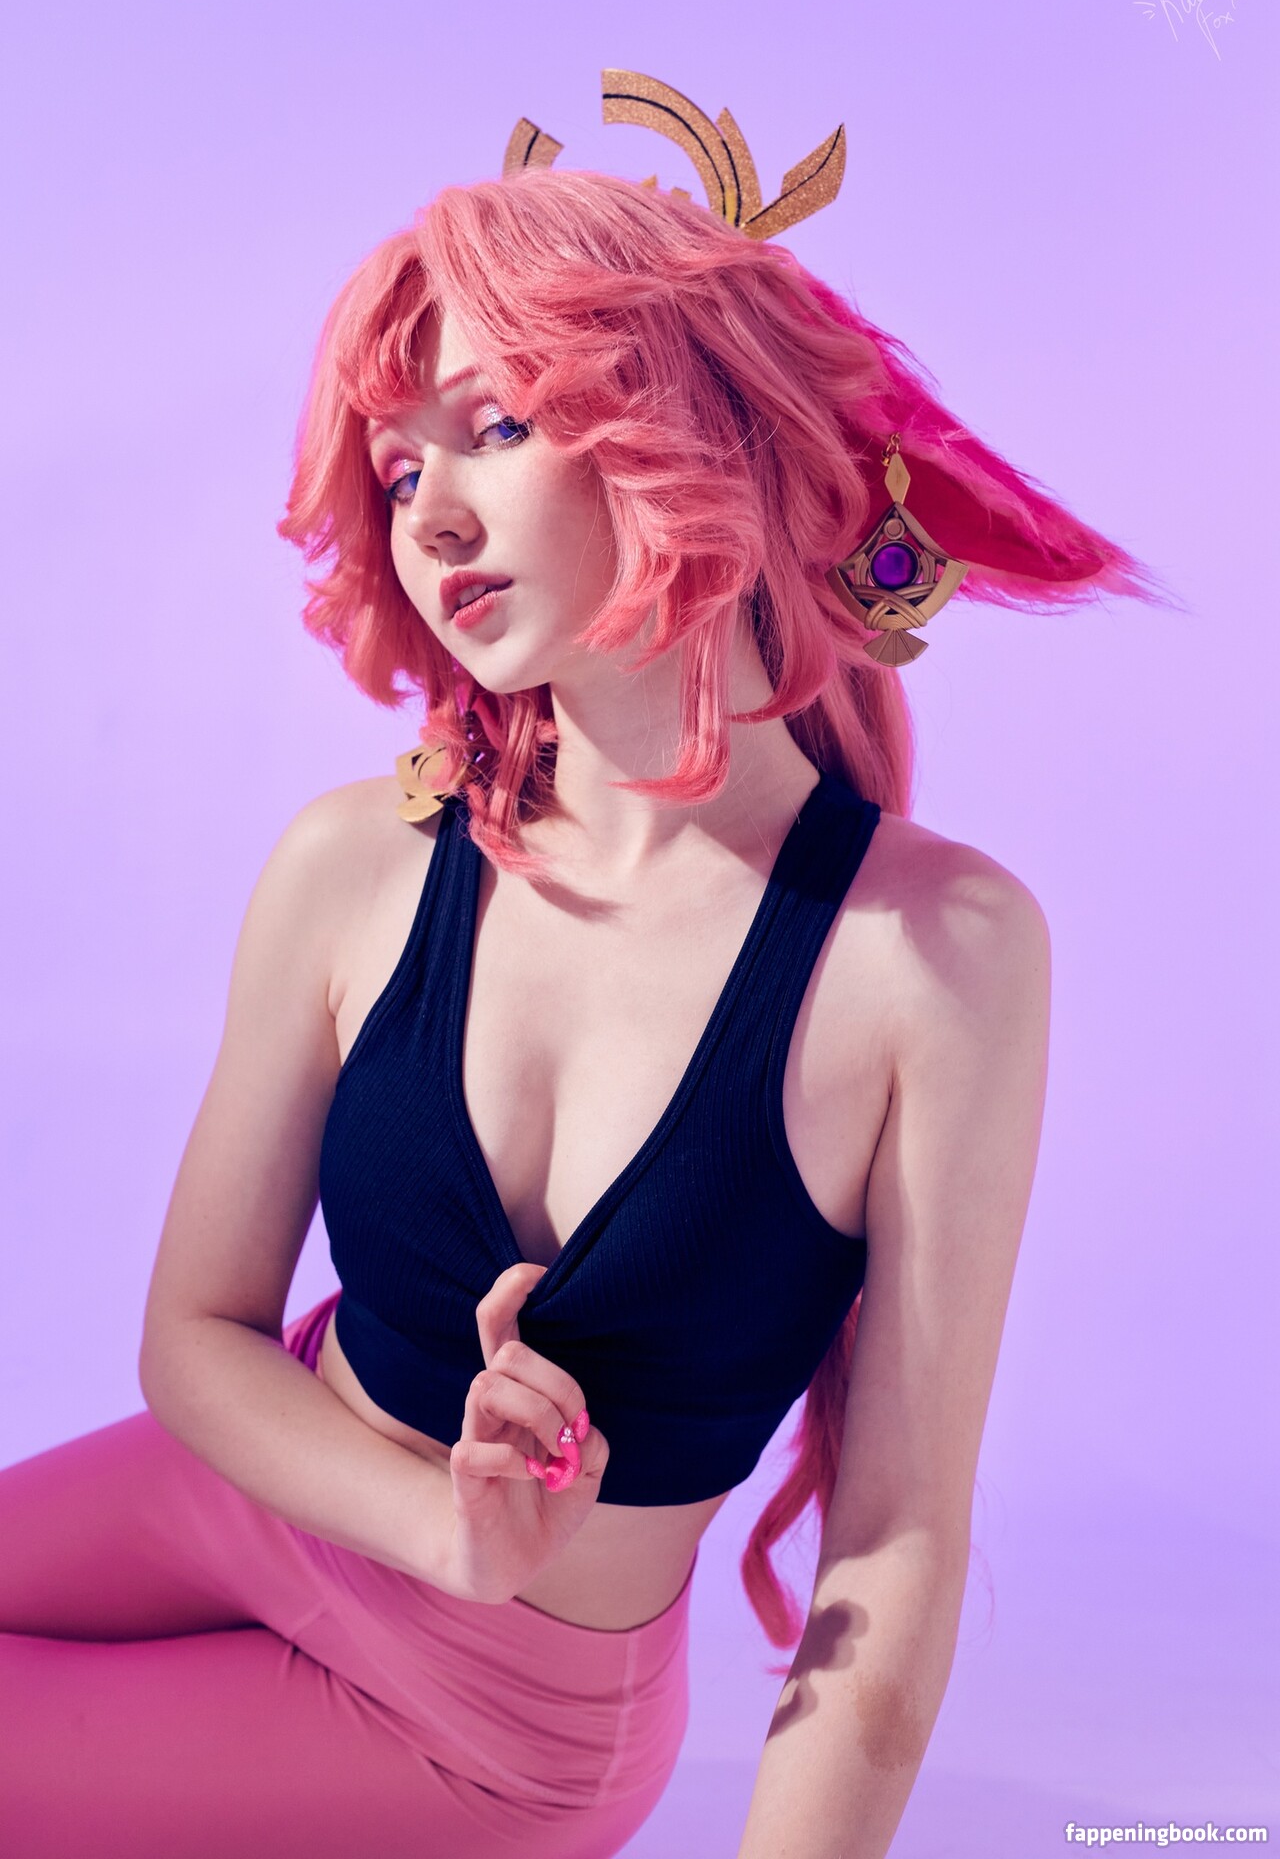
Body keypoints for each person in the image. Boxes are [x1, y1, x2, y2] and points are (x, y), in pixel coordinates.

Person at [0, 110, 1161, 1859]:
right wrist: (441, 1527)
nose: (433, 517)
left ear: (685, 427)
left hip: (487, 1714)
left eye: (493, 428)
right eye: (398, 472)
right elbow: (197, 1339)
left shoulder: (935, 954)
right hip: (260, 1492)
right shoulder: (356, 860)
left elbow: (896, 1544)